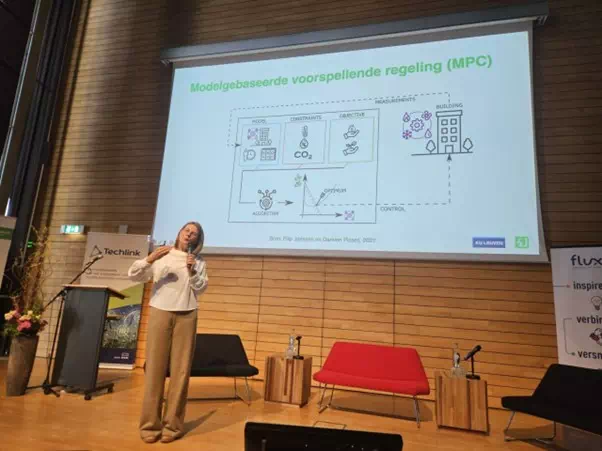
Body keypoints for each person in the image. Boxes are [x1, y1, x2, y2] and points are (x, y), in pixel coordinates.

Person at [128, 222, 208, 444]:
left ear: (197, 240)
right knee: (154, 369)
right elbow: (134, 275)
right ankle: (149, 425)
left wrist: (192, 271)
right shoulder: (163, 254)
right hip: (160, 311)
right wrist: (150, 259)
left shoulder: (198, 261)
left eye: (194, 234)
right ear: (180, 233)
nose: (189, 235)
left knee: (181, 372)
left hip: (187, 314)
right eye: (187, 231)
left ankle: (173, 426)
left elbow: (201, 288)